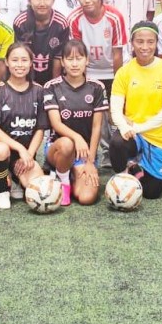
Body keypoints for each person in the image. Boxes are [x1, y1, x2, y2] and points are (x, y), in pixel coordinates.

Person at [109, 21, 162, 200]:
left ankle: (135, 167)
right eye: (139, 41)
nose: (145, 47)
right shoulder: (124, 72)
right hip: (134, 135)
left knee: (151, 193)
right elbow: (115, 109)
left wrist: (138, 127)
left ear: (157, 43)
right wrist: (125, 128)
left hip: (159, 137)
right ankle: (122, 178)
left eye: (150, 42)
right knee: (118, 142)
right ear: (132, 43)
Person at [43, 40, 109, 206]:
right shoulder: (52, 87)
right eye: (69, 59)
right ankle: (62, 179)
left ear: (87, 60)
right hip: (58, 148)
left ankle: (72, 174)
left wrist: (90, 162)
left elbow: (96, 127)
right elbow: (56, 124)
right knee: (67, 144)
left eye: (79, 58)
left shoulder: (97, 87)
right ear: (63, 62)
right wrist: (77, 138)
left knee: (86, 198)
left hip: (84, 153)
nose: (74, 63)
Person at [0, 43, 49, 209]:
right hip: (0, 150)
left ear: (31, 63)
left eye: (24, 60)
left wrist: (29, 154)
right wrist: (20, 148)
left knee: (39, 192)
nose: (19, 64)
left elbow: (40, 128)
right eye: (14, 60)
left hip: (26, 154)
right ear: (6, 62)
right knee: (0, 150)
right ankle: (2, 191)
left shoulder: (39, 91)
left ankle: (15, 179)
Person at [68, 0, 128, 88]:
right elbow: (78, 54)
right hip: (89, 72)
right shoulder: (73, 19)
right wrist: (83, 84)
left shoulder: (114, 17)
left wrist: (118, 85)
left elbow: (117, 55)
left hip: (113, 70)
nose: (87, 0)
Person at [12, 0, 69, 85]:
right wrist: (29, 85)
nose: (42, 3)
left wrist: (54, 85)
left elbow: (59, 57)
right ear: (29, 0)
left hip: (53, 76)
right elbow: (21, 56)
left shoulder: (61, 23)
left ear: (53, 0)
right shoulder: (20, 22)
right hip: (27, 78)